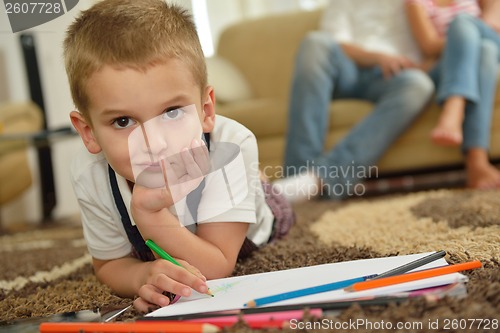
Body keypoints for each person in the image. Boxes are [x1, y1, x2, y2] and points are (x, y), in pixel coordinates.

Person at [64, 0, 294, 313]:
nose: (154, 143)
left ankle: (264, 185)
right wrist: (141, 274)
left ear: (206, 110)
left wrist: (149, 213)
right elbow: (108, 264)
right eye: (123, 121)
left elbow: (216, 267)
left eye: (171, 112)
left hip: (252, 223)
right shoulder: (88, 171)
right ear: (88, 132)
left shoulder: (231, 144)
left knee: (279, 206)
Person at [277, 0, 434, 201]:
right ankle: (294, 178)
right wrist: (378, 57)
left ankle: (315, 181)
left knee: (420, 85)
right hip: (347, 70)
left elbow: (430, 41)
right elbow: (336, 41)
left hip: (394, 75)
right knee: (314, 42)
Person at [405, 0, 500, 188]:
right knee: (484, 51)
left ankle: (454, 105)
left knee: (464, 23)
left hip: (490, 38)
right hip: (450, 64)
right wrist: (464, 40)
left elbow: (492, 21)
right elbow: (429, 45)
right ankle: (476, 162)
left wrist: (464, 33)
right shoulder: (416, 3)